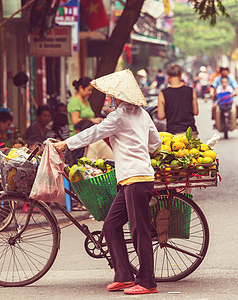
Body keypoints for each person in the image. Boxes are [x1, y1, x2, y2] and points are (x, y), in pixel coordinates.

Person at [54, 69, 162, 295]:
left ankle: (147, 281)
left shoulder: (119, 117)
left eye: (111, 96)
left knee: (138, 230)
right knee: (111, 226)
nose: (109, 99)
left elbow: (92, 133)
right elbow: (156, 145)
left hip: (136, 179)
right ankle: (123, 275)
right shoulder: (143, 115)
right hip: (132, 179)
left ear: (118, 96)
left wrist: (66, 144)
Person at [157, 64, 199, 136]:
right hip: (190, 133)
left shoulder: (163, 94)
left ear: (167, 76)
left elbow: (160, 116)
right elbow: (196, 112)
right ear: (180, 75)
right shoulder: (191, 91)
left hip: (173, 134)